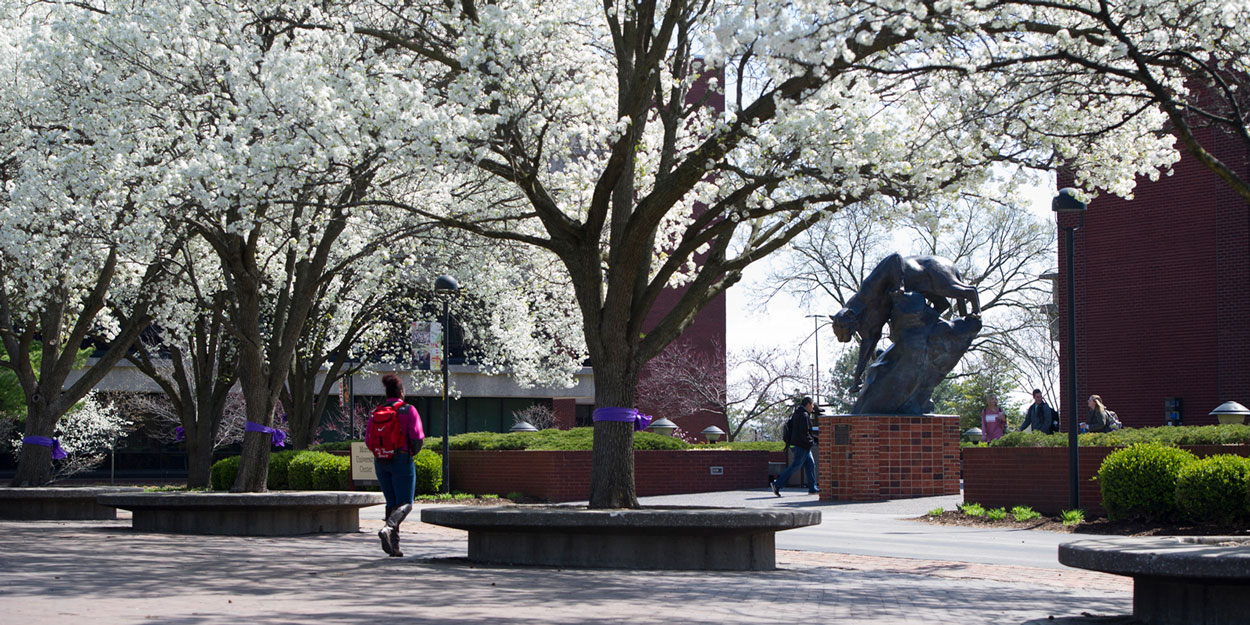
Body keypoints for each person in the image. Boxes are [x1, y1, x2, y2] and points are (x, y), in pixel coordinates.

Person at [371, 374, 425, 557]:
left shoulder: (377, 411)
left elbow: (368, 440)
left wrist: (381, 454)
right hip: (402, 458)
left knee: (392, 503)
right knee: (406, 504)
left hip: (381, 461)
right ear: (401, 392)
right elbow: (418, 438)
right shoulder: (408, 410)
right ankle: (388, 528)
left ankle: (394, 547)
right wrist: (409, 453)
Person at [773, 397, 819, 496]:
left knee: (810, 465)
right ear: (807, 404)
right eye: (812, 405)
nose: (813, 407)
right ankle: (777, 484)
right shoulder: (804, 415)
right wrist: (812, 442)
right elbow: (804, 433)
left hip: (798, 444)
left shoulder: (797, 413)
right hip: (801, 445)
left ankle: (812, 488)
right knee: (796, 466)